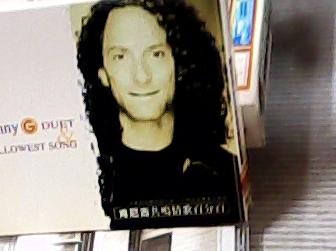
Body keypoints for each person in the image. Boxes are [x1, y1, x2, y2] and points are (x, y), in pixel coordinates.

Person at [77, 0, 240, 226]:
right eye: (120, 57)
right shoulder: (86, 181)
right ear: (102, 73)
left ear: (179, 63)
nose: (142, 77)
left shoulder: (225, 172)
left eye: (156, 54)